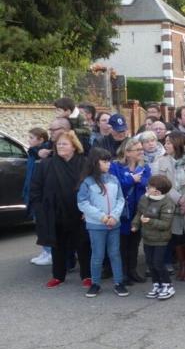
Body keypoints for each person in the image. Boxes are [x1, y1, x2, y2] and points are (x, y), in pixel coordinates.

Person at [30, 130, 92, 288]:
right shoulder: (46, 164)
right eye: (58, 144)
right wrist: (40, 209)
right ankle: (58, 275)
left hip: (80, 212)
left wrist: (90, 209)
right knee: (57, 245)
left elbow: (93, 187)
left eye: (64, 143)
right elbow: (36, 188)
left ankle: (87, 275)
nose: (60, 146)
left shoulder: (84, 163)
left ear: (74, 146)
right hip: (55, 212)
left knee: (83, 245)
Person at [77, 148, 128, 298]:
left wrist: (114, 216)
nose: (109, 164)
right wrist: (102, 217)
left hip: (114, 224)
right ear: (95, 162)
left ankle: (119, 282)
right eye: (104, 161)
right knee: (97, 255)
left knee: (115, 253)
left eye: (109, 161)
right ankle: (95, 283)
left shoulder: (114, 179)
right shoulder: (87, 182)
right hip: (96, 225)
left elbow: (120, 199)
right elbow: (82, 203)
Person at [155, 132, 185, 281]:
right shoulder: (161, 161)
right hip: (171, 204)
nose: (165, 145)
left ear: (177, 144)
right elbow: (161, 183)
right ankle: (182, 264)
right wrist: (179, 199)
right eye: (165, 142)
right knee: (177, 235)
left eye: (168, 142)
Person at [111, 137, 151, 285]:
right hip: (122, 211)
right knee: (122, 244)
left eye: (141, 149)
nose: (141, 152)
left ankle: (132, 271)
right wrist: (131, 180)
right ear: (127, 152)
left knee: (134, 243)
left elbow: (148, 183)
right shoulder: (115, 167)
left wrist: (139, 181)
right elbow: (114, 186)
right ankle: (122, 273)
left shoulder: (144, 166)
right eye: (138, 150)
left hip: (138, 210)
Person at [132, 175, 176, 300]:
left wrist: (149, 221)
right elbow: (140, 213)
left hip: (160, 239)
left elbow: (165, 224)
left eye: (150, 187)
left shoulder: (167, 203)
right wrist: (135, 224)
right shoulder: (144, 198)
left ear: (157, 191)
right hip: (147, 238)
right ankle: (157, 284)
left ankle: (168, 285)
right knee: (150, 263)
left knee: (158, 263)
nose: (147, 188)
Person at [24, 127, 52, 266]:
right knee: (39, 224)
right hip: (33, 193)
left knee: (44, 224)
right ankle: (45, 251)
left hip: (41, 196)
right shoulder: (33, 153)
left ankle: (50, 252)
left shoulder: (43, 153)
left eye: (31, 137)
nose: (28, 140)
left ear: (41, 139)